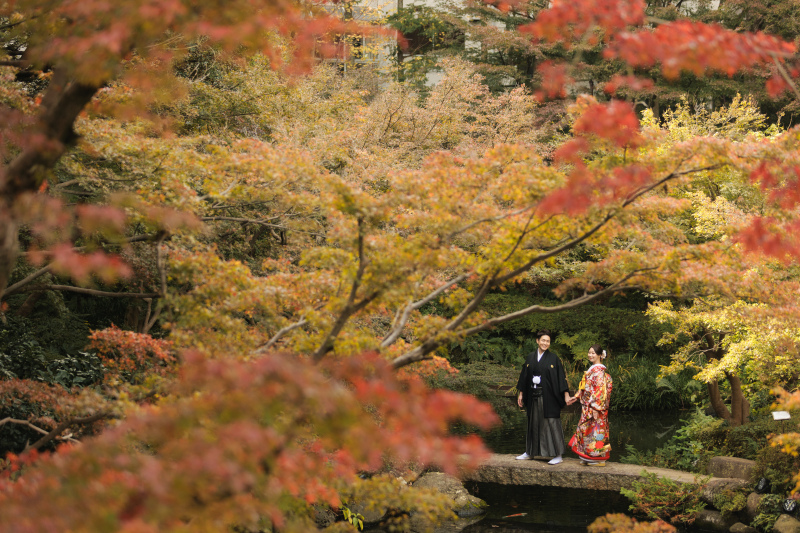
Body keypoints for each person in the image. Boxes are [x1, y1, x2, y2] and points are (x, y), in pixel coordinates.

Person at [515, 329, 576, 465]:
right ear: (537, 341)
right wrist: (521, 394)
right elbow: (524, 377)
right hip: (533, 395)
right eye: (543, 340)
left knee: (551, 422)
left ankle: (558, 454)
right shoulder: (530, 357)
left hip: (549, 396)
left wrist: (566, 396)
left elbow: (561, 378)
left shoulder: (554, 358)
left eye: (548, 341)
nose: (545, 343)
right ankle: (530, 452)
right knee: (533, 423)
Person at [568, 344, 613, 466]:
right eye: (589, 352)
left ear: (599, 355)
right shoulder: (593, 370)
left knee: (595, 431)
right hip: (590, 405)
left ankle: (597, 458)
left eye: (593, 353)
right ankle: (588, 456)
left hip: (595, 407)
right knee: (588, 430)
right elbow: (586, 387)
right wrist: (576, 396)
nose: (590, 355)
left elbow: (599, 392)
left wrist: (595, 407)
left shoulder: (598, 372)